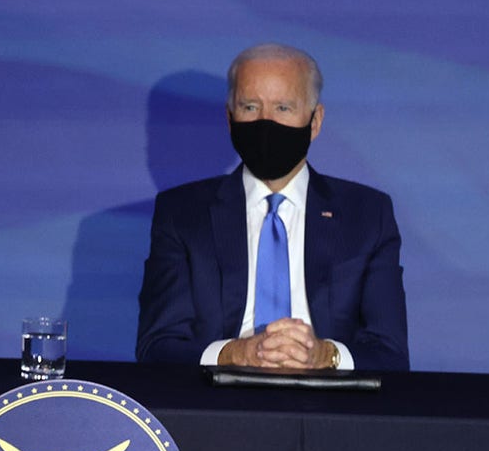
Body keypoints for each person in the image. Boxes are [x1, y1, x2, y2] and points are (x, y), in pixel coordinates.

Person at [136, 43, 408, 371]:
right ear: (229, 117)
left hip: (331, 407)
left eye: (283, 108)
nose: (266, 123)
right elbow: (157, 345)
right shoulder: (182, 213)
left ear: (315, 120)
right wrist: (235, 354)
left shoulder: (367, 215)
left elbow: (390, 353)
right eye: (250, 107)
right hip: (217, 405)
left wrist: (324, 355)